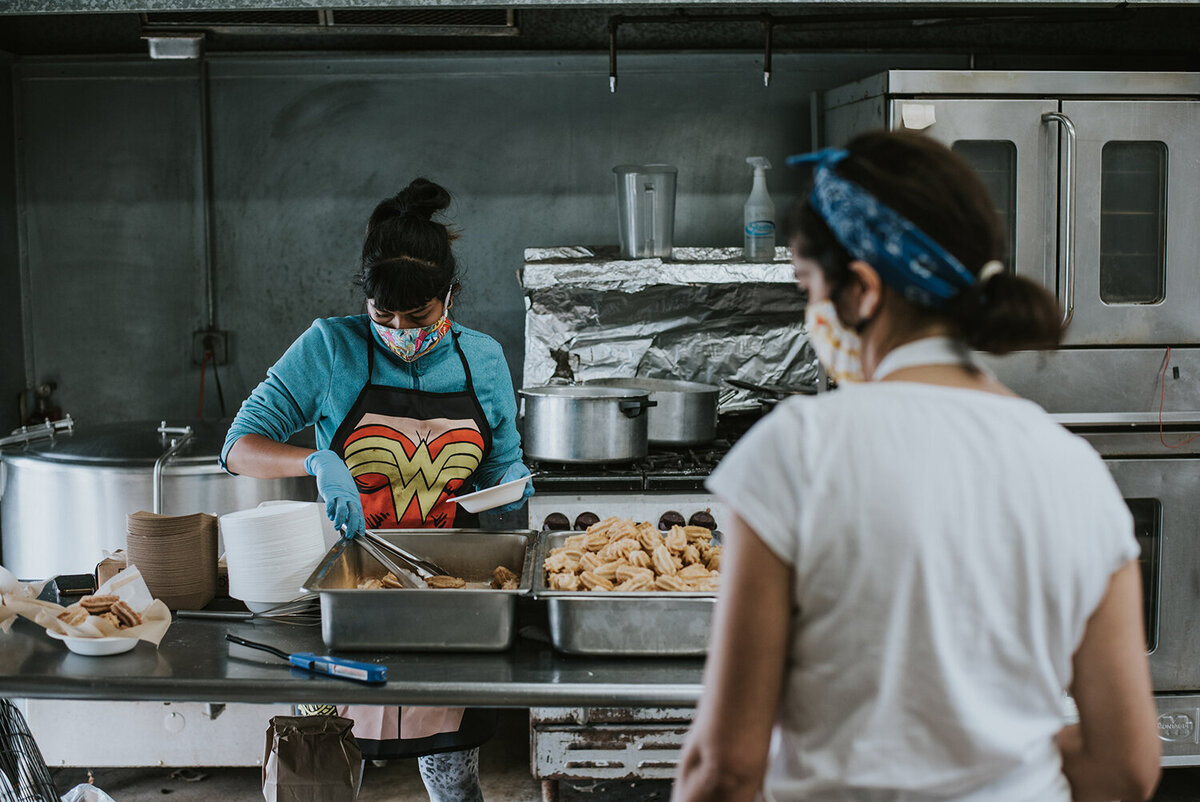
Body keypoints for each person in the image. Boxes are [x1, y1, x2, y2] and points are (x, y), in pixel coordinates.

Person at [672, 131, 1161, 802]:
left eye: (809, 288)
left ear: (863, 292)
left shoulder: (801, 450)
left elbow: (726, 770)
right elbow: (1127, 768)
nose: (811, 315)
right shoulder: (1075, 468)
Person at [221, 177, 533, 802]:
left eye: (417, 315)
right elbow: (238, 446)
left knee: (449, 770)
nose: (398, 328)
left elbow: (503, 463)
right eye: (381, 314)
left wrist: (511, 489)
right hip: (343, 592)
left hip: (447, 595)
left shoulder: (484, 360)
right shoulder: (330, 347)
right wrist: (315, 461)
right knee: (322, 771)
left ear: (449, 296)